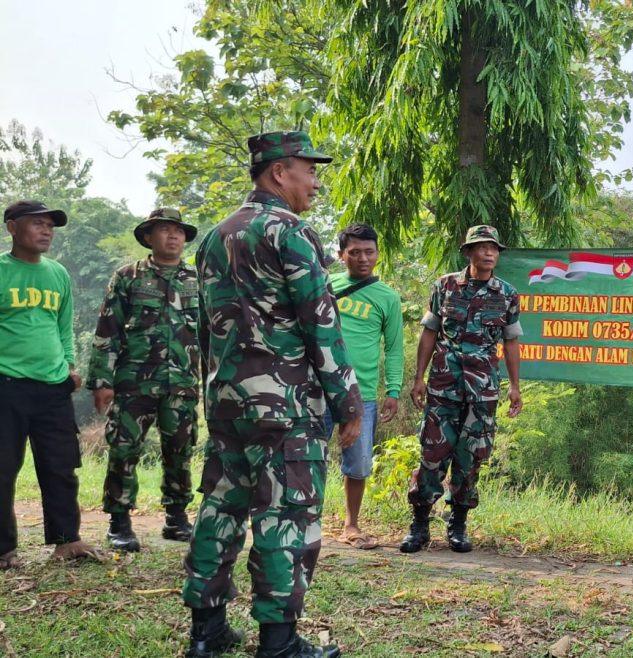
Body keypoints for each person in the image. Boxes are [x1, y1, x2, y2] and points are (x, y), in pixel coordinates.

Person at [181, 131, 362, 658]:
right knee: (286, 515)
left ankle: (205, 632)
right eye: (309, 169)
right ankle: (279, 644)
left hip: (228, 403)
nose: (316, 181)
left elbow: (205, 328)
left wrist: (210, 395)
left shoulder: (215, 236)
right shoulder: (291, 232)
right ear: (280, 172)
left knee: (220, 509)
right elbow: (320, 323)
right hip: (284, 406)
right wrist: (346, 403)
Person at [401, 225, 522, 554]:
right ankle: (420, 524)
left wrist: (514, 386)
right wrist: (418, 378)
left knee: (471, 459)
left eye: (493, 248)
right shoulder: (445, 286)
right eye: (481, 247)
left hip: (482, 389)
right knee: (432, 454)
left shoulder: (507, 294)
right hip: (443, 384)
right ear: (467, 252)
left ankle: (458, 524)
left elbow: (511, 342)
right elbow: (429, 332)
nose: (489, 253)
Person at [86, 207, 201, 553]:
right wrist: (102, 380)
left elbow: (211, 334)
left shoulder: (196, 280)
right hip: (133, 382)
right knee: (124, 450)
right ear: (149, 237)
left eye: (178, 231)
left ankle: (176, 518)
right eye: (164, 230)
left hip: (181, 383)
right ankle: (119, 522)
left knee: (180, 449)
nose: (173, 236)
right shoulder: (128, 276)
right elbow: (108, 330)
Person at [0, 200, 104, 569]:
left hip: (52, 386)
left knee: (60, 466)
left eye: (50, 226)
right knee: (2, 468)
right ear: (12, 227)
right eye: (37, 224)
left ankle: (66, 540)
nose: (46, 231)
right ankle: (4, 550)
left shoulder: (57, 274)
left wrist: (70, 366)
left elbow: (64, 326)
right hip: (6, 385)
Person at [322, 222, 403, 549]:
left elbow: (394, 347)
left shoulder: (388, 298)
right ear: (342, 255)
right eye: (354, 252)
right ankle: (305, 521)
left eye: (369, 252)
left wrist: (394, 390)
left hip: (363, 394)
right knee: (309, 456)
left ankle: (351, 525)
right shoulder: (325, 285)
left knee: (358, 464)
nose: (362, 258)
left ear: (378, 254)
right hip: (319, 388)